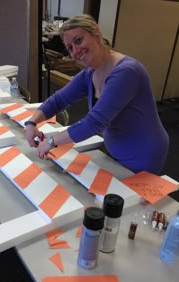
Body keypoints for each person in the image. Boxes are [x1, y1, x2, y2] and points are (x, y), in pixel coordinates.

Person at [25, 14, 169, 174]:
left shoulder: (127, 72)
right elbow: (59, 100)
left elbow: (94, 123)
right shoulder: (91, 72)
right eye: (70, 47)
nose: (75, 51)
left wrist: (52, 141)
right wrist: (31, 124)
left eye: (78, 40)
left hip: (142, 153)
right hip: (116, 148)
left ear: (96, 32)